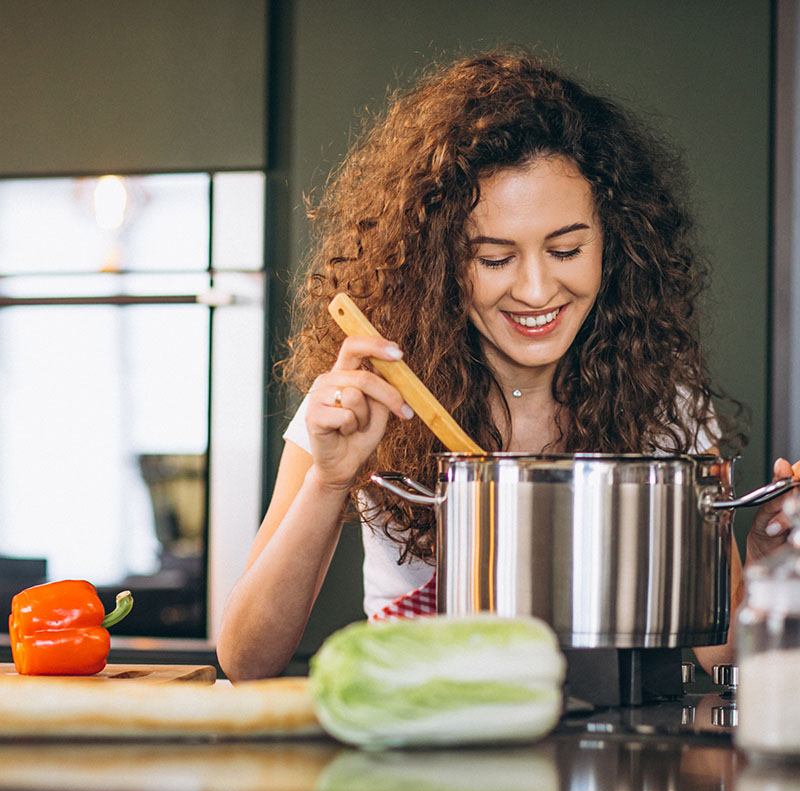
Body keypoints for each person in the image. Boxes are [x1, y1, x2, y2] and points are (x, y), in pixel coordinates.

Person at [216, 49, 800, 681]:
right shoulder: (360, 403)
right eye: (495, 257)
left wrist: (772, 565)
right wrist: (328, 483)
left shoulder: (665, 404)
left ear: (614, 243)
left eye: (567, 248)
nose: (535, 289)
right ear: (440, 261)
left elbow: (727, 661)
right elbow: (247, 661)